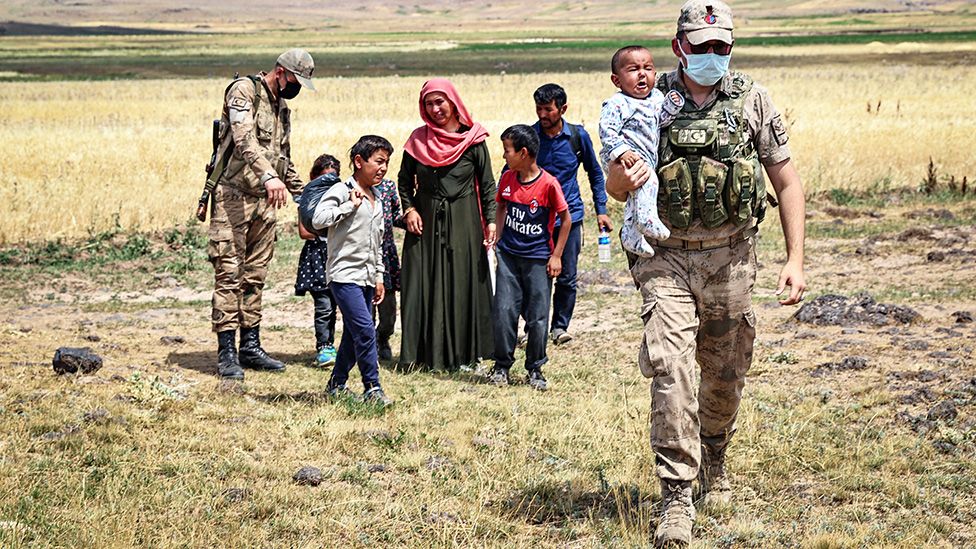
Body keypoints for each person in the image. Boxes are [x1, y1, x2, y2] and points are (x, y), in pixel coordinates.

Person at [605, 1, 807, 546]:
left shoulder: (752, 99)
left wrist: (795, 258)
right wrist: (626, 177)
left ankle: (715, 446)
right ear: (679, 48)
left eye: (723, 46)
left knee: (724, 373)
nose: (713, 55)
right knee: (671, 366)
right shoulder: (646, 99)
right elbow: (613, 187)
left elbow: (786, 182)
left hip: (731, 259)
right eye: (702, 47)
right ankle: (676, 496)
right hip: (664, 256)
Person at [208, 48, 315, 381]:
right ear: (280, 71)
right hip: (233, 198)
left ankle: (250, 345)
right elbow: (243, 140)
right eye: (295, 80)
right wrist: (269, 176)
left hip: (266, 202)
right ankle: (227, 352)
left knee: (255, 276)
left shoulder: (282, 109)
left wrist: (311, 198)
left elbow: (283, 160)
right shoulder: (244, 91)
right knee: (229, 273)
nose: (296, 88)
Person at [398, 78, 497, 371]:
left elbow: (488, 184)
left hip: (465, 220)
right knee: (419, 283)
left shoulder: (474, 139)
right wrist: (409, 209)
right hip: (424, 222)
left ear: (453, 102)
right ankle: (421, 355)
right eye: (429, 103)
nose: (435, 108)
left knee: (462, 282)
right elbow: (404, 182)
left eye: (440, 102)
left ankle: (465, 355)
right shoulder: (418, 140)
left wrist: (490, 221)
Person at [311, 135, 394, 406]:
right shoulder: (341, 190)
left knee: (353, 332)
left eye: (386, 163)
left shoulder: (378, 197)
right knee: (366, 330)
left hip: (368, 276)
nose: (383, 168)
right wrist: (349, 205)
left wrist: (379, 276)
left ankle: (337, 384)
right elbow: (318, 219)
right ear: (359, 161)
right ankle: (373, 387)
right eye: (378, 162)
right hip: (344, 275)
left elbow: (378, 242)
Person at [489, 125, 571, 392]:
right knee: (503, 312)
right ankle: (501, 366)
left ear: (523, 153)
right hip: (509, 258)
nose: (504, 156)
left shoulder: (548, 184)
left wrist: (556, 255)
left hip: (538, 259)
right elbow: (501, 205)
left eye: (507, 151)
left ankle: (535, 367)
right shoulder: (507, 178)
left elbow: (566, 219)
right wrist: (498, 238)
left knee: (537, 318)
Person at [528, 83, 611, 346]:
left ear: (562, 109)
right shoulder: (529, 137)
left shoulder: (578, 136)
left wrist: (601, 210)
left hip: (570, 217)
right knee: (536, 278)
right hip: (535, 219)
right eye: (539, 109)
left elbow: (595, 173)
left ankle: (559, 328)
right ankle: (535, 328)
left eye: (548, 110)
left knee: (567, 277)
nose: (543, 115)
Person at [599, 45, 684, 257]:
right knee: (650, 182)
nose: (642, 74)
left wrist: (671, 107)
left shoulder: (655, 98)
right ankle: (647, 221)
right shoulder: (618, 103)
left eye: (648, 68)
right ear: (617, 80)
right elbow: (606, 130)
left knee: (635, 197)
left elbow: (660, 122)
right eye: (633, 69)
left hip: (645, 156)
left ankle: (630, 235)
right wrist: (621, 151)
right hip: (626, 157)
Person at [295, 154, 342, 368]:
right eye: (323, 177)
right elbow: (305, 231)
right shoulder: (309, 199)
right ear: (313, 177)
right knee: (324, 305)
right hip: (317, 257)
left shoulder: (339, 197)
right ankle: (324, 346)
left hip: (336, 253)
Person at [372, 177, 403, 361]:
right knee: (367, 306)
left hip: (387, 255)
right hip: (366, 255)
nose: (382, 168)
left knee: (389, 309)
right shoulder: (353, 189)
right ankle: (369, 344)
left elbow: (395, 215)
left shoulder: (388, 186)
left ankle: (383, 337)